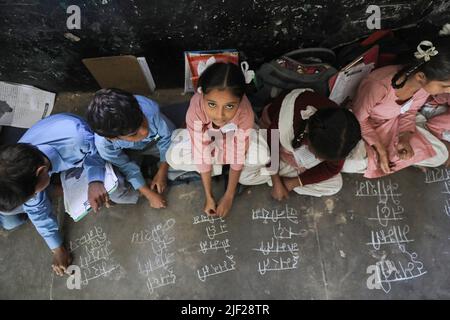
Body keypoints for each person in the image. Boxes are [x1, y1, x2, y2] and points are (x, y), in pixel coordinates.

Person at [0, 113, 125, 276]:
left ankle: (62, 189)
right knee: (9, 219)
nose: (34, 197)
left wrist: (95, 181)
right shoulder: (23, 172)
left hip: (76, 145)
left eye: (33, 194)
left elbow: (95, 151)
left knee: (118, 190)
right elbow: (37, 211)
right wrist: (57, 249)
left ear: (42, 171)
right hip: (41, 172)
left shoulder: (77, 139)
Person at [166, 62, 269, 217]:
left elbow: (239, 153)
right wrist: (209, 196)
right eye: (212, 104)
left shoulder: (244, 113)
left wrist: (229, 196)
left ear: (240, 100)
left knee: (266, 155)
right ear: (202, 95)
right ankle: (220, 168)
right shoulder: (196, 109)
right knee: (172, 157)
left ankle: (223, 169)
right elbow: (201, 152)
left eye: (229, 106)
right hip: (208, 138)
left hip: (233, 139)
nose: (219, 115)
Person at [343, 39, 450, 178]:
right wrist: (381, 150)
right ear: (420, 76)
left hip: (392, 123)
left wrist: (404, 137)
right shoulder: (379, 85)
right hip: (362, 125)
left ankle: (384, 159)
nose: (448, 90)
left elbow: (410, 111)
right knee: (349, 162)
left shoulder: (424, 88)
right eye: (444, 86)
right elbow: (359, 119)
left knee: (440, 154)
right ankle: (382, 159)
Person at [239, 89, 361, 199]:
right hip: (273, 137)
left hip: (295, 155)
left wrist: (293, 183)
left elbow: (333, 167)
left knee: (335, 185)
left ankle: (285, 175)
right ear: (308, 134)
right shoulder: (289, 121)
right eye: (317, 154)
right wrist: (276, 181)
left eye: (320, 157)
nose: (318, 158)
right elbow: (272, 146)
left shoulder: (341, 137)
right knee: (244, 176)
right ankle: (282, 173)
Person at [87, 88, 175, 209]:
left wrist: (162, 170)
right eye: (133, 134)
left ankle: (152, 173)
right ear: (113, 138)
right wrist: (149, 194)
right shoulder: (104, 144)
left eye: (142, 120)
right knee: (115, 194)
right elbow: (126, 166)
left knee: (184, 152)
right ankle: (144, 186)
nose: (144, 131)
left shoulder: (149, 109)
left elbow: (167, 136)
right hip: (128, 154)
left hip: (153, 143)